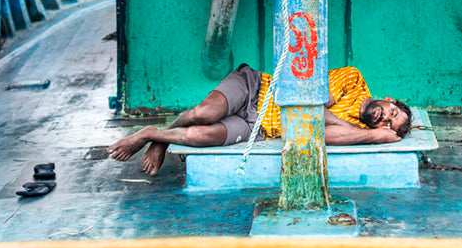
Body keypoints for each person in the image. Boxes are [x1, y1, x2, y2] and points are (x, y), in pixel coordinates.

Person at [108, 64, 412, 175]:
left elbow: (315, 133)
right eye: (392, 113)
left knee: (202, 137)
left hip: (259, 128)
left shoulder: (362, 131)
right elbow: (310, 106)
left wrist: (370, 136)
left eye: (388, 126)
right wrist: (348, 127)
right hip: (255, 88)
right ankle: (159, 136)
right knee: (203, 113)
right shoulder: (353, 79)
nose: (384, 119)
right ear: (389, 100)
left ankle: (152, 134)